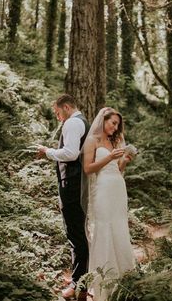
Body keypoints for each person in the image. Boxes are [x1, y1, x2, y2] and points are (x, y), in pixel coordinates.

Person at [37, 94, 89, 300]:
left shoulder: (72, 123)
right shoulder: (80, 121)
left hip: (72, 185)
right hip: (75, 184)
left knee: (75, 233)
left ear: (66, 107)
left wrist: (48, 151)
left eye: (58, 113)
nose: (58, 118)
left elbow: (70, 154)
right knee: (76, 232)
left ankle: (80, 285)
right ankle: (80, 276)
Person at [82, 107, 136, 301]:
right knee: (104, 227)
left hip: (118, 188)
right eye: (113, 123)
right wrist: (108, 157)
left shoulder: (115, 141)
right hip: (102, 189)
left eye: (117, 125)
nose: (115, 127)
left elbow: (117, 168)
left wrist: (125, 161)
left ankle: (124, 278)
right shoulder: (92, 140)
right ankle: (103, 283)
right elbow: (88, 168)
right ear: (103, 120)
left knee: (119, 226)